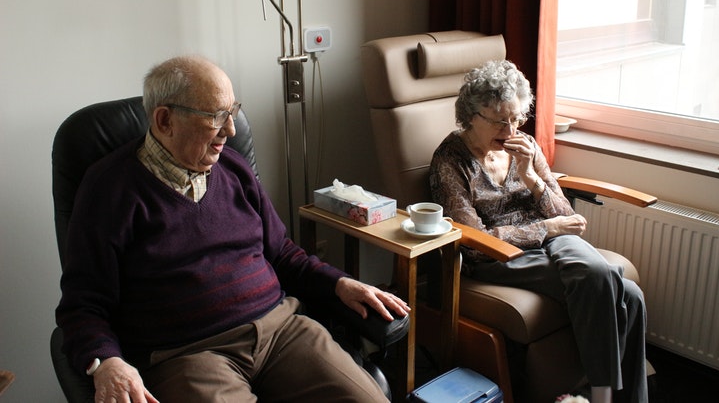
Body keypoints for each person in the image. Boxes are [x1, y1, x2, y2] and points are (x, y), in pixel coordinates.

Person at [56, 55, 410, 403]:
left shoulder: (233, 168)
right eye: (215, 116)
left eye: (232, 111)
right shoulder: (110, 190)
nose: (231, 130)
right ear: (165, 120)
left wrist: (338, 283)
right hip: (189, 356)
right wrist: (106, 362)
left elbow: (282, 253)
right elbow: (82, 305)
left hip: (282, 332)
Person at [429, 60, 648, 403]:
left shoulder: (526, 145)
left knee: (608, 280)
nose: (511, 129)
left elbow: (567, 217)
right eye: (500, 121)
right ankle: (603, 397)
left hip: (554, 239)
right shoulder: (450, 161)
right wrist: (545, 228)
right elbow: (475, 243)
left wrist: (530, 177)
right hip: (501, 255)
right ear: (470, 115)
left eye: (517, 118)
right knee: (627, 294)